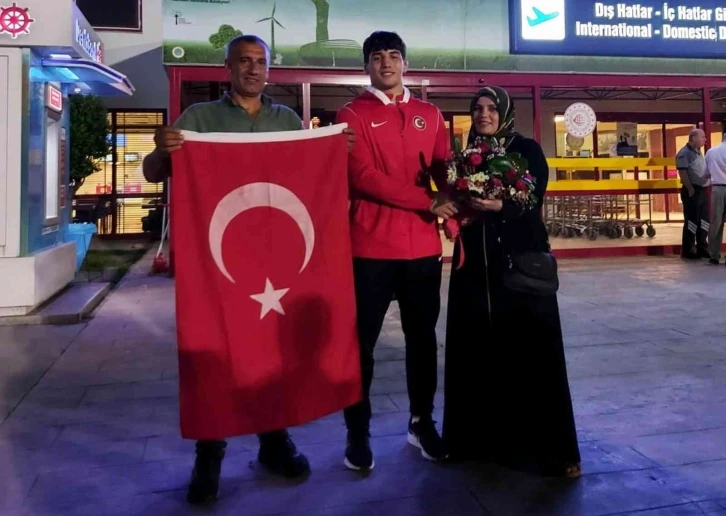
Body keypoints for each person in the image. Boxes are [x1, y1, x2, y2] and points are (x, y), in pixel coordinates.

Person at [142, 34, 356, 505]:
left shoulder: (288, 121)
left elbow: (309, 177)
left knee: (272, 353)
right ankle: (209, 453)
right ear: (228, 67)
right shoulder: (200, 118)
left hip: (279, 263)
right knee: (215, 353)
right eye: (244, 61)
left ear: (269, 69)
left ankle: (273, 441)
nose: (253, 69)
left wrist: (333, 147)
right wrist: (161, 148)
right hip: (218, 266)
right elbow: (155, 173)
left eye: (260, 61)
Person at [442, 86, 581, 478]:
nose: (484, 114)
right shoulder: (466, 156)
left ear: (505, 112)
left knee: (533, 352)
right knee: (477, 350)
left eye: (491, 108)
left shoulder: (526, 149)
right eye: (477, 108)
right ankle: (476, 442)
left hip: (519, 263)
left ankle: (552, 450)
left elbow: (533, 198)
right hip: (475, 266)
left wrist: (500, 205)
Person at [335, 31, 457, 471]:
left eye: (393, 56)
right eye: (376, 57)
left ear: (405, 63)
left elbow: (444, 172)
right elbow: (363, 177)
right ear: (366, 66)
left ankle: (421, 424)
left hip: (422, 248)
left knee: (422, 342)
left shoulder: (430, 113)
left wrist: (456, 214)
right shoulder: (350, 114)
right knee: (360, 345)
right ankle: (357, 434)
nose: (385, 63)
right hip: (369, 248)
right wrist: (428, 202)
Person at [676, 129, 711, 260]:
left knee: (704, 220)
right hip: (692, 191)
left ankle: (702, 247)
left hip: (702, 190)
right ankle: (688, 249)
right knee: (692, 221)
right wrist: (690, 188)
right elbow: (683, 172)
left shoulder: (698, 152)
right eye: (702, 137)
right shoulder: (684, 153)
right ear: (693, 138)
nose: (705, 139)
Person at [706, 132, 726, 265]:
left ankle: (714, 255)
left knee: (716, 222)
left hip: (717, 188)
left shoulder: (711, 152)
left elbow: (706, 173)